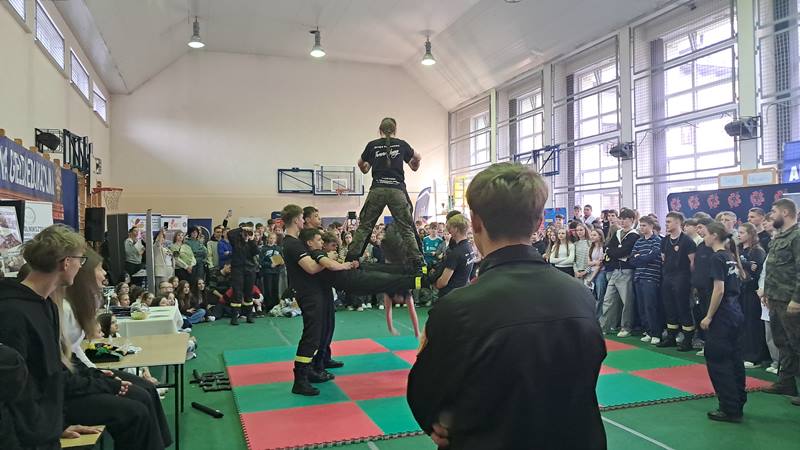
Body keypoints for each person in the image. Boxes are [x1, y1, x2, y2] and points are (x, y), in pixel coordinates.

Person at [407, 163, 606, 449]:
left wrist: (438, 421)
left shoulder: (457, 309)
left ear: (475, 222)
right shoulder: (581, 296)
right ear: (539, 223)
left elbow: (425, 395)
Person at [60, 248, 172, 449]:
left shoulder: (79, 304)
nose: (104, 274)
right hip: (68, 388)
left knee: (147, 389)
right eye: (100, 268)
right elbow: (64, 363)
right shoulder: (63, 309)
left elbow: (75, 351)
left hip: (78, 374)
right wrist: (99, 381)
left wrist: (97, 373)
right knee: (136, 407)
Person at [0, 225, 98, 449]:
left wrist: (57, 424)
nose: (80, 266)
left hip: (44, 428)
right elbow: (13, 389)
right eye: (80, 260)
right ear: (66, 263)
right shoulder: (12, 312)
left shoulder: (47, 306)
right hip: (26, 438)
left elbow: (50, 372)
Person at [346, 117, 423, 268]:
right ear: (395, 130)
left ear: (380, 130)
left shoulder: (372, 145)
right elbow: (416, 162)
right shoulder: (402, 144)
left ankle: (350, 260)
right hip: (397, 190)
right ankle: (418, 262)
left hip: (377, 189)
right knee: (406, 228)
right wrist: (417, 161)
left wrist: (367, 167)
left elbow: (361, 164)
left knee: (365, 227)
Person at [700, 221, 748, 422]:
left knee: (718, 359)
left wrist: (709, 316)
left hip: (722, 315)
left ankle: (729, 407)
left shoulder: (717, 258)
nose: (704, 237)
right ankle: (738, 400)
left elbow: (719, 290)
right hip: (735, 312)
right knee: (734, 358)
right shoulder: (729, 256)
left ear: (714, 236)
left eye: (706, 234)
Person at [761, 198, 800, 406]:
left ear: (785, 213)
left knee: (797, 343)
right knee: (782, 342)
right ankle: (786, 382)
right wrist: (767, 292)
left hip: (790, 300)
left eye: (774, 211)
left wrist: (797, 299)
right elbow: (773, 268)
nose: (771, 214)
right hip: (776, 298)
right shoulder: (779, 237)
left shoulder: (797, 236)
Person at [659, 212, 697, 350]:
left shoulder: (687, 241)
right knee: (669, 307)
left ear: (678, 222)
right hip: (668, 277)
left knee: (683, 308)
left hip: (682, 277)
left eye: (669, 221)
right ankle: (671, 337)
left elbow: (692, 263)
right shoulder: (665, 240)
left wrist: (690, 280)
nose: (666, 224)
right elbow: (663, 258)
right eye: (666, 221)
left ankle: (688, 340)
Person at [600, 207, 639, 337]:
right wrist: (615, 252)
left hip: (626, 271)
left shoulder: (634, 235)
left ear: (632, 220)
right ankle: (604, 326)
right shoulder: (617, 233)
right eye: (620, 219)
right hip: (615, 270)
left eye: (625, 219)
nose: (622, 221)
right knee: (608, 299)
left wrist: (615, 252)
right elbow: (608, 248)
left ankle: (626, 327)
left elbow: (624, 251)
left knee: (626, 301)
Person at [738, 223, 768, 368]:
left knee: (752, 324)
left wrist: (744, 264)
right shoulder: (738, 249)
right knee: (742, 323)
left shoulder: (757, 251)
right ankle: (743, 352)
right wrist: (746, 264)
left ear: (750, 234)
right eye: (739, 232)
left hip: (752, 291)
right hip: (740, 290)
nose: (739, 235)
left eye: (742, 232)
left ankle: (755, 356)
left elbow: (756, 271)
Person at [630, 215, 663, 345]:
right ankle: (648, 331)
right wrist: (642, 257)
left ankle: (656, 333)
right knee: (642, 307)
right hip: (639, 277)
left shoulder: (657, 240)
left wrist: (640, 257)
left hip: (651, 277)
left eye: (644, 225)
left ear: (651, 226)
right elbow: (632, 259)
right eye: (640, 225)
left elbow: (653, 256)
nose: (641, 228)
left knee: (651, 306)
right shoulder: (639, 241)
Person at [433, 214, 477, 298]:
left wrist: (435, 284)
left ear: (456, 229)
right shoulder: (469, 247)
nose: (449, 231)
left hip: (451, 296)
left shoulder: (455, 253)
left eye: (450, 228)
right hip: (463, 291)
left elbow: (443, 282)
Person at [692, 217, 716, 356]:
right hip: (700, 287)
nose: (698, 230)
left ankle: (713, 345)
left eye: (701, 227)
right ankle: (706, 343)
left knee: (712, 317)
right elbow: (697, 267)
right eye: (697, 228)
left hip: (712, 288)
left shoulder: (715, 246)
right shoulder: (701, 245)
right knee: (702, 315)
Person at [259, 232, 284, 312]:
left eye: (273, 238)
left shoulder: (278, 248)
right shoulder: (263, 249)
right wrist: (270, 265)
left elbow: (282, 259)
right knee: (268, 289)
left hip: (276, 271)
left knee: (275, 289)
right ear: (267, 239)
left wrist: (281, 262)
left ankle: (275, 305)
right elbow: (261, 261)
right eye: (270, 238)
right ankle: (268, 306)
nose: (272, 240)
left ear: (276, 239)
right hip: (267, 272)